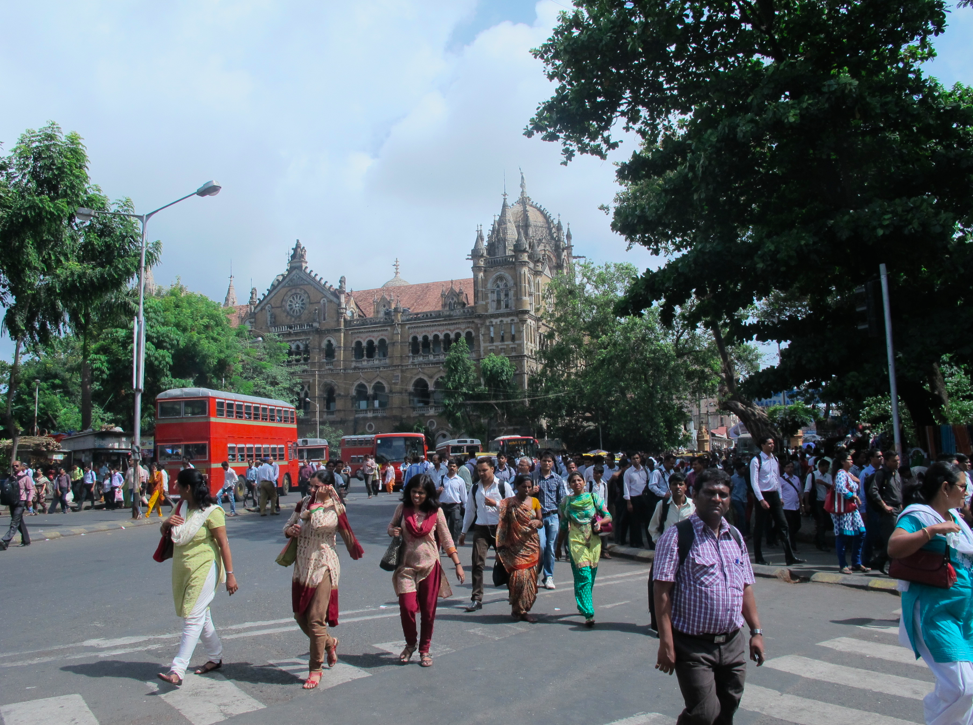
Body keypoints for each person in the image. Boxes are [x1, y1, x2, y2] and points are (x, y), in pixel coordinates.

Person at [653, 468, 765, 725]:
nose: (717, 499)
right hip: (693, 646)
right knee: (703, 714)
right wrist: (666, 644)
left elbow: (746, 587)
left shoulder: (735, 536)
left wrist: (756, 632)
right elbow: (661, 593)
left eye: (723, 494)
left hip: (732, 643)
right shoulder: (677, 536)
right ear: (695, 494)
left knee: (727, 709)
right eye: (710, 493)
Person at [889, 462, 973, 725]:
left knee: (959, 689)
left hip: (964, 613)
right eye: (963, 487)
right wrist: (931, 532)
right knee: (963, 688)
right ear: (945, 487)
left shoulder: (955, 516)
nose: (967, 492)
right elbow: (894, 547)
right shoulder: (918, 515)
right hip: (934, 612)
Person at [157, 469, 238, 686]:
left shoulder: (212, 512)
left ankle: (178, 669)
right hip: (183, 569)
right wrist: (166, 524)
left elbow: (224, 545)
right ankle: (215, 656)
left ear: (188, 488)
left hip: (205, 569)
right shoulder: (181, 506)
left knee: (193, 616)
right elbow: (168, 531)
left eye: (178, 484)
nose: (175, 487)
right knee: (202, 614)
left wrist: (230, 575)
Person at [284, 470, 364, 688]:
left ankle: (315, 669)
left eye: (316, 486)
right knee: (300, 616)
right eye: (310, 485)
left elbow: (320, 524)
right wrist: (291, 530)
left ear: (328, 487)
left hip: (324, 565)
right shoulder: (303, 503)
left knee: (316, 619)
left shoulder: (335, 508)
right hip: (302, 565)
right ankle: (329, 643)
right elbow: (287, 526)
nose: (311, 490)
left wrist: (319, 502)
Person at [388, 474, 464, 667]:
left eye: (421, 493)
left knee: (429, 613)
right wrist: (393, 531)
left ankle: (424, 649)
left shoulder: (436, 512)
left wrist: (457, 564)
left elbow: (446, 539)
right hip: (405, 567)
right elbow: (391, 526)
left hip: (430, 567)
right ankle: (410, 643)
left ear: (428, 493)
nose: (416, 496)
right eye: (414, 492)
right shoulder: (402, 509)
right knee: (407, 607)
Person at [555, 471, 611, 627]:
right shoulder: (566, 502)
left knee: (590, 575)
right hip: (576, 541)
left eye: (579, 480)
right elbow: (563, 526)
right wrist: (559, 546)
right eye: (573, 481)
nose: (577, 483)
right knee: (584, 574)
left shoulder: (593, 498)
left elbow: (608, 516)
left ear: (585, 483)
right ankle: (589, 613)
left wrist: (600, 523)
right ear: (570, 485)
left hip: (593, 541)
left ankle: (582, 602)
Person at [459, 457, 513, 611]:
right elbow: (470, 511)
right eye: (479, 471)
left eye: (485, 470)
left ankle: (513, 593)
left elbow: (512, 507)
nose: (481, 473)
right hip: (481, 528)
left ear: (492, 469)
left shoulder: (503, 486)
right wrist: (463, 532)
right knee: (477, 563)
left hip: (500, 528)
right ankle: (476, 598)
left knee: (506, 563)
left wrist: (496, 504)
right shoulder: (475, 488)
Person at [496, 473, 543, 622]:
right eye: (524, 487)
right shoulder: (509, 503)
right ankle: (516, 608)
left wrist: (538, 523)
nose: (527, 490)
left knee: (530, 579)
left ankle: (524, 610)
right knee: (518, 579)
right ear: (517, 487)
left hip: (531, 545)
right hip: (514, 546)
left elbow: (541, 521)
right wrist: (500, 548)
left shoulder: (535, 501)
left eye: (529, 487)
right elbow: (503, 526)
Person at [749, 437, 803, 566]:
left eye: (773, 443)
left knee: (783, 525)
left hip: (774, 495)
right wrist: (761, 499)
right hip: (763, 495)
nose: (772, 445)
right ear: (762, 445)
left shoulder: (775, 459)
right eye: (769, 443)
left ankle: (789, 556)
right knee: (759, 526)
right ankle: (758, 557)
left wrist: (780, 495)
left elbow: (777, 479)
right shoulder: (756, 460)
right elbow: (754, 482)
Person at [830, 451, 869, 574]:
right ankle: (843, 565)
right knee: (843, 535)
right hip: (844, 510)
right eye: (849, 459)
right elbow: (840, 487)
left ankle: (856, 562)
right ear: (842, 462)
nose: (851, 461)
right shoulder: (841, 473)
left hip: (852, 509)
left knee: (861, 532)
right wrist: (853, 496)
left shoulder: (848, 474)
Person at [531, 450, 563, 591]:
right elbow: (522, 495)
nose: (547, 463)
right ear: (540, 461)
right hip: (538, 517)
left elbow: (561, 500)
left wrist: (564, 518)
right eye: (544, 460)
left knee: (551, 547)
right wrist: (532, 491)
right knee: (541, 546)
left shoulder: (557, 479)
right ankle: (536, 573)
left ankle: (548, 576)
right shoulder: (533, 477)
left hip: (553, 515)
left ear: (553, 463)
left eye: (549, 461)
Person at [867, 450, 902, 573]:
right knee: (891, 540)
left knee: (898, 539)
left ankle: (879, 562)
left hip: (898, 509)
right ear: (886, 461)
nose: (897, 463)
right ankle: (893, 568)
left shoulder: (896, 473)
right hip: (888, 511)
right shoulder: (881, 474)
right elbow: (873, 491)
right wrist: (884, 506)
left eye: (898, 460)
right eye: (894, 461)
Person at [648, 472, 695, 543]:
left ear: (685, 487)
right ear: (670, 487)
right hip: (668, 547)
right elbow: (652, 527)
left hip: (688, 547)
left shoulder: (693, 505)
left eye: (681, 484)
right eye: (674, 484)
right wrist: (660, 542)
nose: (678, 487)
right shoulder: (662, 504)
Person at [1, 461, 33, 550]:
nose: (15, 467)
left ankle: (5, 541)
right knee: (19, 522)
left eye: (16, 466)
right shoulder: (11, 478)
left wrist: (29, 500)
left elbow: (31, 489)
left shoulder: (25, 477)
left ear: (21, 467)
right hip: (12, 502)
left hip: (21, 502)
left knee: (14, 522)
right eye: (13, 466)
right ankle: (26, 540)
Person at [803, 457, 832, 551]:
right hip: (817, 502)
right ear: (820, 467)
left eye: (828, 467)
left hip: (826, 501)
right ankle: (822, 543)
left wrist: (823, 483)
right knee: (821, 522)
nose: (826, 469)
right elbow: (807, 490)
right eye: (825, 467)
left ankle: (817, 538)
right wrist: (806, 504)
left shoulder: (828, 476)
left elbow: (832, 487)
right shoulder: (812, 475)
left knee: (827, 523)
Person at [623, 452, 650, 548]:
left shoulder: (645, 470)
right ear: (631, 459)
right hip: (634, 498)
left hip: (644, 497)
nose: (636, 460)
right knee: (635, 522)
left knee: (648, 520)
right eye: (633, 458)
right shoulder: (628, 472)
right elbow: (626, 487)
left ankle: (650, 542)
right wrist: (628, 502)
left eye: (637, 458)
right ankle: (637, 542)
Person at [437, 457, 467, 543]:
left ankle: (453, 545)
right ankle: (443, 544)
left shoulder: (460, 481)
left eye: (454, 466)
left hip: (455, 506)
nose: (452, 468)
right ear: (447, 467)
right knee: (443, 526)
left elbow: (463, 495)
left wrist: (465, 507)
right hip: (443, 506)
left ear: (457, 468)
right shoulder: (441, 479)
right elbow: (434, 492)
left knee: (454, 526)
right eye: (450, 466)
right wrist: (438, 491)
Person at [780, 460, 803, 553]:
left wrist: (802, 504)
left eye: (792, 467)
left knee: (798, 525)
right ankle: (792, 546)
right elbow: (779, 493)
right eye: (788, 467)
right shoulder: (781, 479)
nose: (790, 469)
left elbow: (799, 492)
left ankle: (783, 536)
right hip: (786, 506)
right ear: (784, 468)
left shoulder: (796, 479)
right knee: (790, 526)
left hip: (795, 506)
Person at [729, 462, 750, 537]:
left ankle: (739, 531)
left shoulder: (746, 477)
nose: (744, 470)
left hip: (744, 499)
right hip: (736, 499)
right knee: (742, 515)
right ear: (738, 469)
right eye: (742, 469)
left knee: (742, 517)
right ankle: (742, 533)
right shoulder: (733, 478)